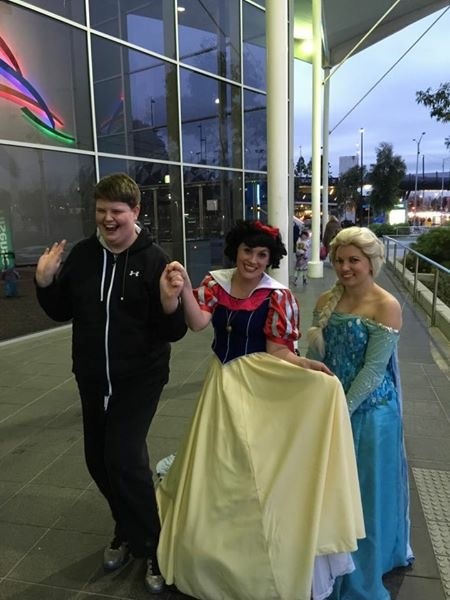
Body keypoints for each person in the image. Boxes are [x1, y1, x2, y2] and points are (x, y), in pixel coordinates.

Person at [157, 219, 365, 600]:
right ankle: (210, 556)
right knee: (218, 469)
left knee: (257, 471)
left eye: (262, 254)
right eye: (247, 251)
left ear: (270, 259)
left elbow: (278, 351)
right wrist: (184, 289)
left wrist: (306, 368)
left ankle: (260, 558)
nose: (253, 260)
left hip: (258, 385)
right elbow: (199, 322)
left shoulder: (278, 295)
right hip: (220, 384)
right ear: (236, 249)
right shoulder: (215, 283)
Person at [35, 172, 187, 595]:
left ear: (135, 212)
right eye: (100, 211)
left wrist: (170, 301)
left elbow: (172, 332)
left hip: (140, 377)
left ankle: (155, 548)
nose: (106, 219)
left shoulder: (155, 259)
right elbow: (60, 310)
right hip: (91, 375)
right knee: (97, 460)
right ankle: (126, 526)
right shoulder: (84, 255)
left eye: (115, 212)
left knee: (122, 456)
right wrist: (45, 282)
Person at [307, 226, 413, 600]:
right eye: (339, 260)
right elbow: (318, 360)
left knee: (365, 493)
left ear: (371, 262)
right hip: (333, 407)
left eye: (354, 260)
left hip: (371, 415)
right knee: (330, 491)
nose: (345, 267)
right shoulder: (325, 301)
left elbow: (373, 371)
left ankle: (367, 567)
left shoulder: (387, 305)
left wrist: (343, 409)